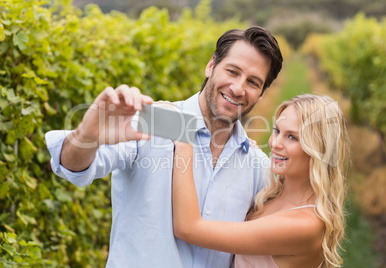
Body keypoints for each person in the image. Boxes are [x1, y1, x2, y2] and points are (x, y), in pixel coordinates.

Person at [45, 26, 283, 267]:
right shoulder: (151, 121)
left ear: (261, 94)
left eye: (253, 82)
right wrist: (88, 136)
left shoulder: (258, 168)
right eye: (232, 71)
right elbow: (72, 167)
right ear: (211, 65)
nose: (238, 88)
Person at [172, 94, 350, 268]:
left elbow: (188, 228)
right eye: (277, 131)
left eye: (292, 137)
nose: (275, 143)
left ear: (320, 151)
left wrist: (184, 143)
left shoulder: (305, 225)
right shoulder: (272, 192)